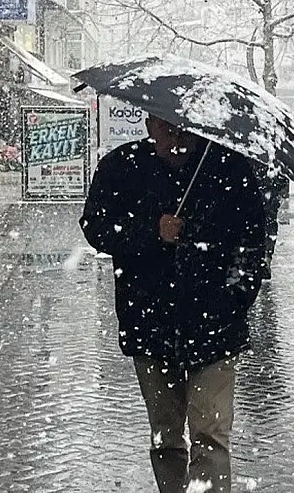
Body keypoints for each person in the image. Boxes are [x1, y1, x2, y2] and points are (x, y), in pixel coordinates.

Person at [79, 116, 266, 493]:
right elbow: (96, 227)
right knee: (166, 436)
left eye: (184, 128)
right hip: (149, 324)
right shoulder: (121, 167)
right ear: (149, 124)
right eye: (167, 128)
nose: (176, 137)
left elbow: (253, 244)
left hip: (216, 327)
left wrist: (233, 301)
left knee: (210, 434)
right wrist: (152, 231)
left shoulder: (227, 168)